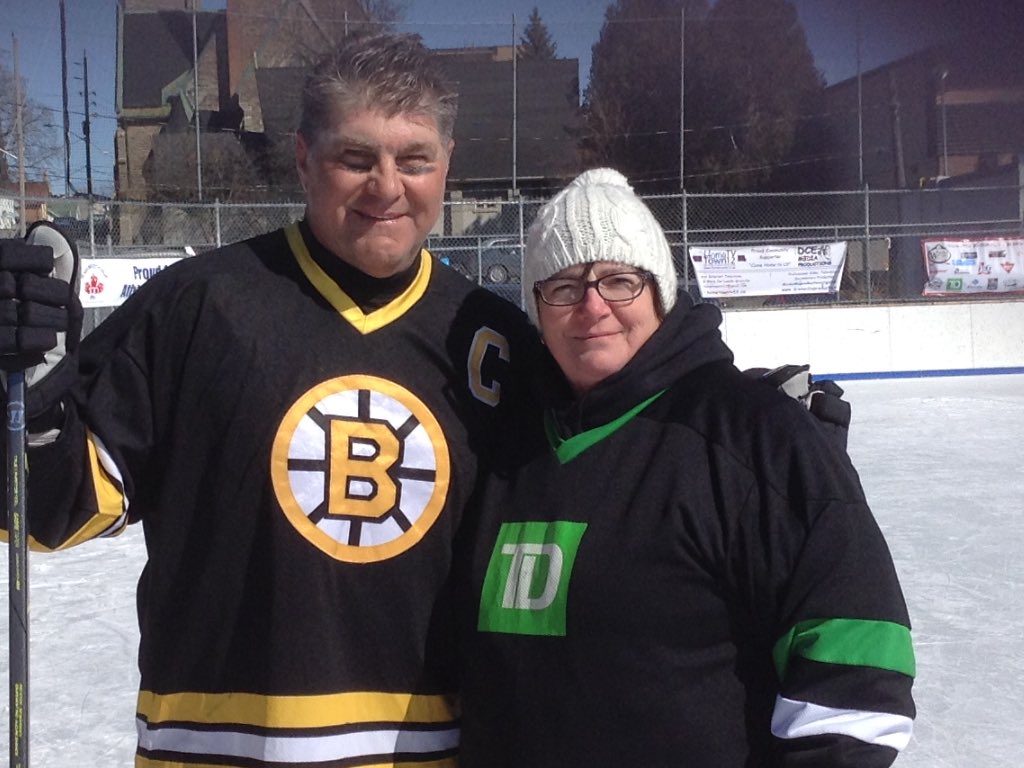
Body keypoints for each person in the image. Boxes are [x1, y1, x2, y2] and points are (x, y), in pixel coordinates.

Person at [0, 33, 535, 768]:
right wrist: (23, 411)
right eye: (356, 158)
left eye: (414, 160)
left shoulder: (494, 340)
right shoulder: (194, 307)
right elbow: (47, 512)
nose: (387, 186)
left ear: (446, 164)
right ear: (304, 159)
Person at [457, 168, 916, 768]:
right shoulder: (500, 442)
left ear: (661, 293)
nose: (592, 306)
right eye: (564, 287)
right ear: (536, 309)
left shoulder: (760, 439)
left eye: (618, 281)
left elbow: (857, 671)